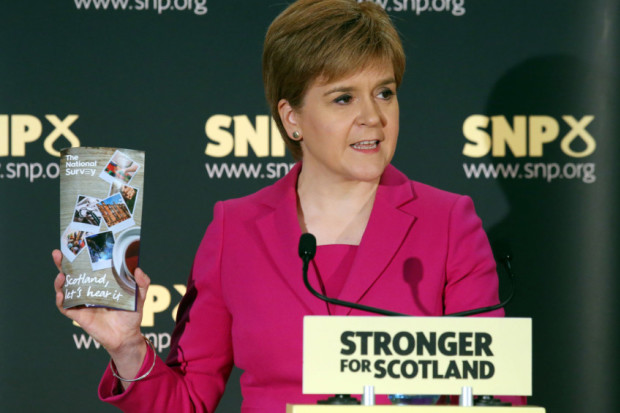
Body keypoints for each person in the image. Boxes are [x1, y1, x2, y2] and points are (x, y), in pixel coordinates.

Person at [54, 0, 515, 411]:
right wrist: (129, 347)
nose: (373, 117)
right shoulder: (235, 228)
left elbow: (493, 397)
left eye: (384, 92)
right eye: (343, 98)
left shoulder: (449, 222)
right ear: (291, 117)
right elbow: (188, 401)